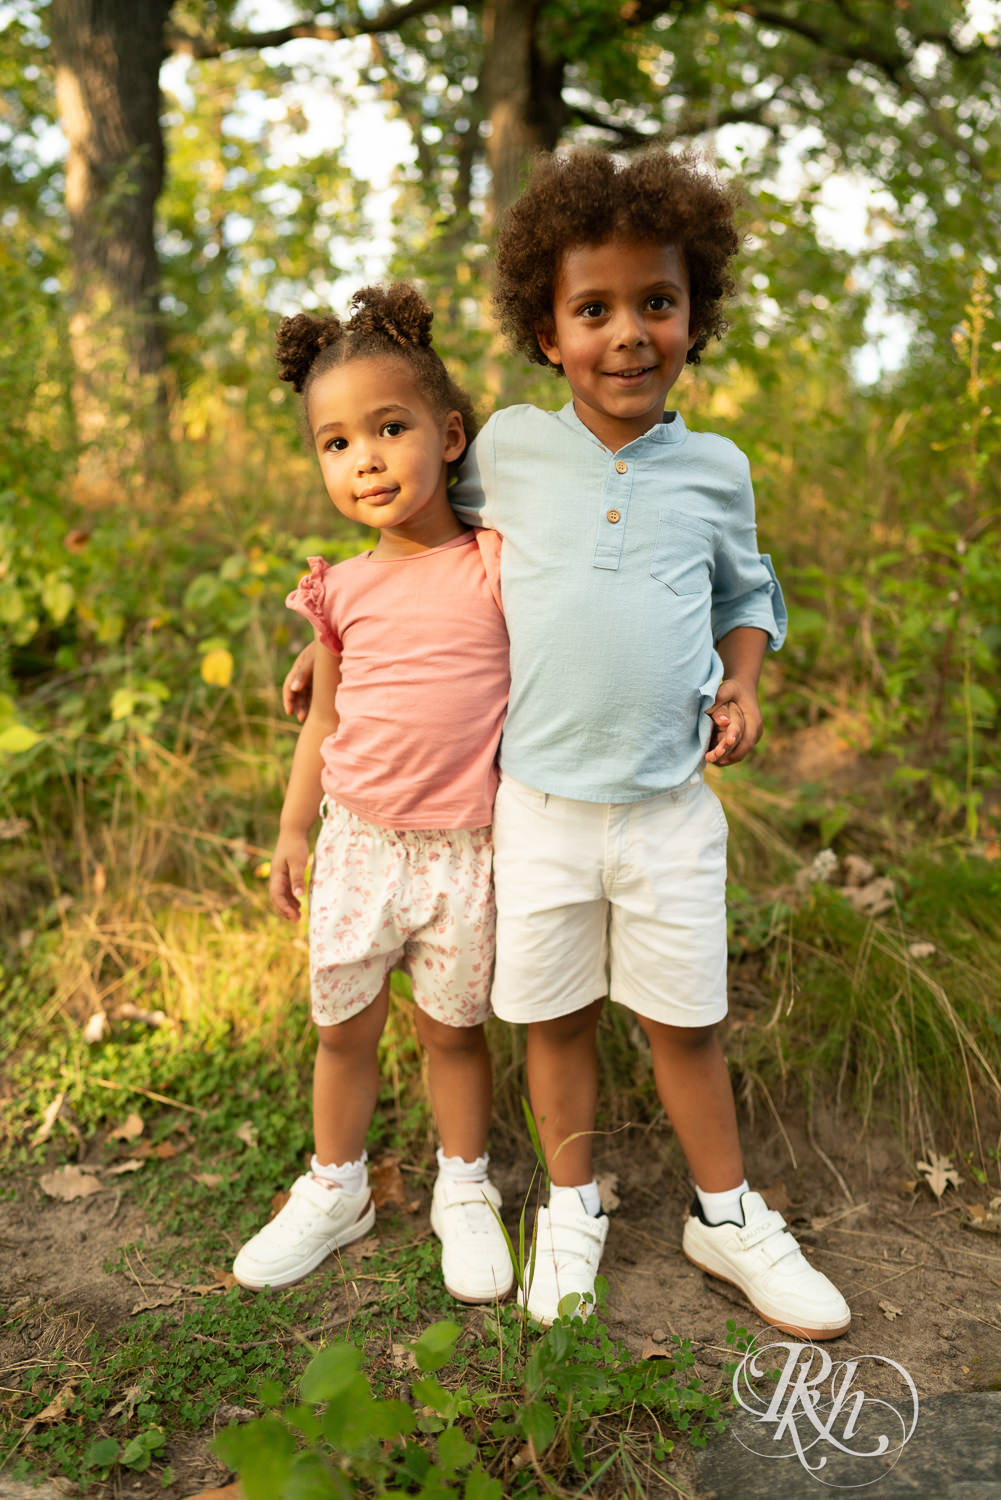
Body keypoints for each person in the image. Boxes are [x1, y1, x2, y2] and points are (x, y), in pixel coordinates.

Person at [285, 150, 851, 1341]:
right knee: (553, 1018)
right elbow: (422, 544)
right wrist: (336, 647)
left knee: (684, 1020)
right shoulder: (513, 455)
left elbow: (748, 597)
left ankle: (726, 1213)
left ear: (695, 314)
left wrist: (741, 680)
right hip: (532, 807)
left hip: (665, 807)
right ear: (545, 332)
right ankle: (573, 1203)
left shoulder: (716, 470)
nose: (628, 334)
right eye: (591, 310)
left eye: (657, 303)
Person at [233, 283, 513, 1306]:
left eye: (389, 429)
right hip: (356, 843)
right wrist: (291, 828)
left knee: (451, 1031)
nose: (364, 459)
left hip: (462, 850)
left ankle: (463, 1186)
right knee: (343, 1028)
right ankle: (336, 1184)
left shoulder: (493, 565)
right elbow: (322, 721)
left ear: (448, 436)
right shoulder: (338, 591)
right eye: (335, 442)